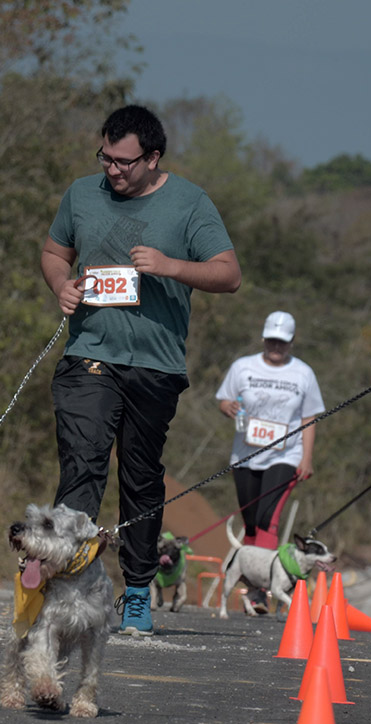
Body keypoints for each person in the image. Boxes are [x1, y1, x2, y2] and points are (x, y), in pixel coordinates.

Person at [40, 105, 241, 636]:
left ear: (153, 159)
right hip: (89, 355)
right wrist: (60, 283)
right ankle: (69, 583)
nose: (113, 170)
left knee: (140, 475)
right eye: (105, 157)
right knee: (82, 463)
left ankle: (135, 589)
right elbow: (54, 252)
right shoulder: (82, 194)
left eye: (125, 162)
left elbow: (229, 273)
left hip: (155, 365)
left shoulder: (190, 203)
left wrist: (172, 266)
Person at [215, 311, 325, 611]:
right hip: (246, 455)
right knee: (251, 522)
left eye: (283, 342)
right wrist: (229, 407)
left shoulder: (303, 373)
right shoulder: (243, 367)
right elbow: (224, 399)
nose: (277, 347)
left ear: (292, 342)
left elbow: (309, 417)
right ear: (264, 338)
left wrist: (306, 457)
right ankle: (253, 584)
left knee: (267, 517)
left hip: (285, 455)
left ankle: (263, 590)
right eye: (272, 341)